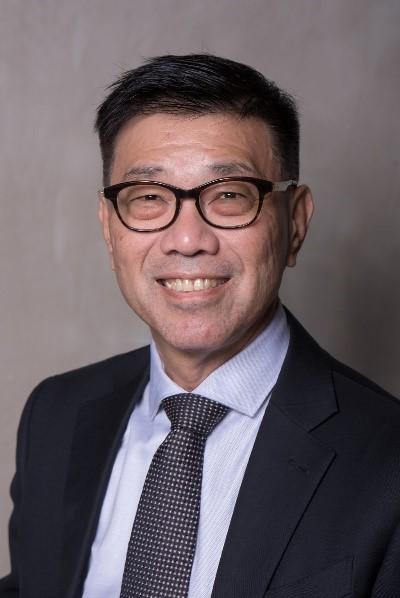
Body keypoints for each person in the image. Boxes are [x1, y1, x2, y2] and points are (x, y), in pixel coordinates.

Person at [1, 54, 399, 598]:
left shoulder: (388, 461)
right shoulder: (56, 414)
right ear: (109, 229)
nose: (187, 240)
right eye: (148, 198)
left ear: (296, 223)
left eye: (229, 195)